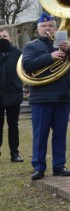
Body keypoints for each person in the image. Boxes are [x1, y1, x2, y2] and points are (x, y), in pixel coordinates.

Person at [22, 13, 70, 180]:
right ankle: (39, 167)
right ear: (38, 29)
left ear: (56, 28)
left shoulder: (64, 44)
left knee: (60, 134)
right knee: (40, 134)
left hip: (62, 96)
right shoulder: (31, 46)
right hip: (41, 97)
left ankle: (59, 165)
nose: (48, 29)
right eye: (44, 26)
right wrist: (50, 56)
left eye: (51, 26)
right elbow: (27, 65)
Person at [0, 27, 23, 162]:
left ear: (10, 38)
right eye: (0, 36)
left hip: (13, 94)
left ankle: (15, 153)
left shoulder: (18, 53)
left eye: (4, 36)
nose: (2, 39)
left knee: (13, 125)